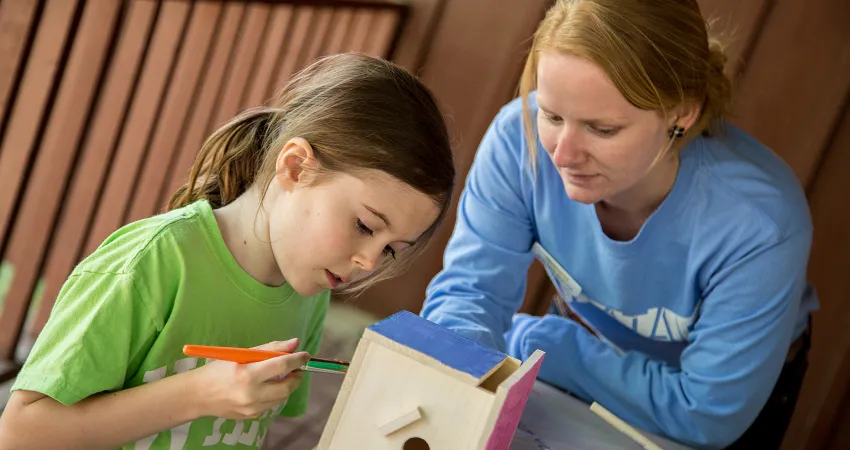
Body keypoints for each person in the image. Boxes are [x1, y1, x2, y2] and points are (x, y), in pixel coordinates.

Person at [0, 52, 455, 449]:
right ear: (295, 167)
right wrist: (199, 393)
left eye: (392, 249)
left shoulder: (310, 293)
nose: (369, 262)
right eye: (364, 226)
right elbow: (20, 432)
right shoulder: (155, 261)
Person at [420, 1, 817, 449]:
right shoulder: (519, 139)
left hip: (713, 396)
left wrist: (542, 342)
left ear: (682, 112)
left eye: (602, 129)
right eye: (552, 116)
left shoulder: (759, 222)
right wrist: (447, 383)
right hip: (582, 343)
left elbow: (706, 413)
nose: (563, 155)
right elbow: (470, 296)